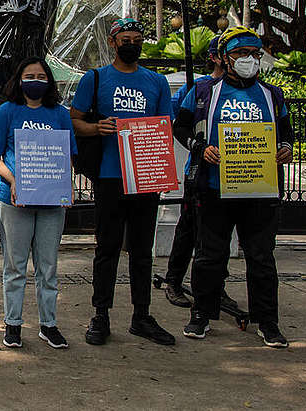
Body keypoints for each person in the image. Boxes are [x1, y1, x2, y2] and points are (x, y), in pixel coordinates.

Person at [173, 27, 294, 347]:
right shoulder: (203, 93)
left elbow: (286, 131)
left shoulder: (272, 95)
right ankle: (201, 314)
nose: (250, 60)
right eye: (242, 54)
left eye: (255, 54)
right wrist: (199, 148)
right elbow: (180, 125)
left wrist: (285, 147)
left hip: (259, 189)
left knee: (261, 258)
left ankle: (267, 322)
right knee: (209, 257)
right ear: (225, 58)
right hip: (213, 188)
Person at [70, 18, 176, 346]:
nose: (131, 44)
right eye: (125, 39)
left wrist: (160, 169)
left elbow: (166, 127)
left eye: (136, 39)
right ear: (113, 43)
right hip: (109, 175)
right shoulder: (96, 77)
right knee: (107, 248)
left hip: (144, 176)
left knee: (143, 251)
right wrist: (95, 128)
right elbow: (73, 120)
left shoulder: (156, 82)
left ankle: (141, 315)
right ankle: (100, 314)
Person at [0, 57, 76, 349]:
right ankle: (13, 324)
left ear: (49, 80)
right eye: (29, 75)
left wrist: (63, 183)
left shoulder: (60, 114)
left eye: (40, 75)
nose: (35, 80)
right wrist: (14, 181)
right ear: (19, 80)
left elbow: (69, 154)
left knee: (48, 266)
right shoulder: (7, 111)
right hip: (14, 201)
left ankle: (48, 324)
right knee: (15, 266)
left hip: (51, 201)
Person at [164, 35, 238, 310]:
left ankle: (216, 286)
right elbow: (175, 122)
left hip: (235, 174)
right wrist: (197, 145)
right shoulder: (198, 88)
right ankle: (174, 280)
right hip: (199, 172)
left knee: (219, 236)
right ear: (216, 57)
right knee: (188, 226)